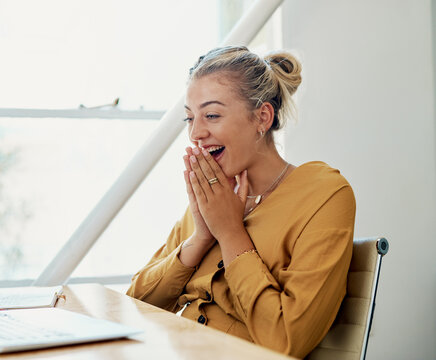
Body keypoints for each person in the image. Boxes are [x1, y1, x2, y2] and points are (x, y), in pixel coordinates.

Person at [126, 46, 355, 358]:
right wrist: (201, 238)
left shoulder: (324, 194)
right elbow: (131, 308)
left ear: (262, 117)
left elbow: (285, 341)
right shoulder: (213, 196)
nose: (195, 133)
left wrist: (230, 232)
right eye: (190, 118)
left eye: (212, 115)